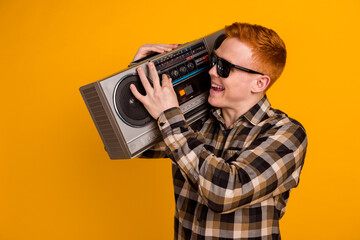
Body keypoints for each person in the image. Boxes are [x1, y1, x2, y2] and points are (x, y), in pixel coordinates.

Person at [129, 22, 308, 240]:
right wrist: (136, 77)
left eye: (224, 67)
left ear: (260, 83)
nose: (212, 71)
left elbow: (225, 193)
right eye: (213, 61)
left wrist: (170, 117)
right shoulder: (195, 122)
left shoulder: (287, 133)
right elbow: (137, 147)